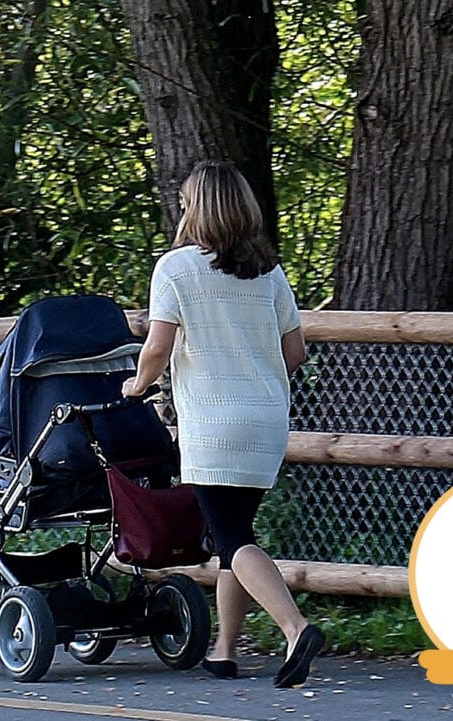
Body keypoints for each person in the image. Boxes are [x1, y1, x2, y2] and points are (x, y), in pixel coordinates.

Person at [122, 160, 325, 688]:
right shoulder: (269, 272)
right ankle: (225, 651)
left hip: (213, 425)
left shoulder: (176, 269)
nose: (183, 209)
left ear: (201, 209)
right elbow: (296, 352)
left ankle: (295, 628)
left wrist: (136, 386)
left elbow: (158, 347)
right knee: (233, 535)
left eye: (188, 201)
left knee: (232, 537)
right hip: (265, 422)